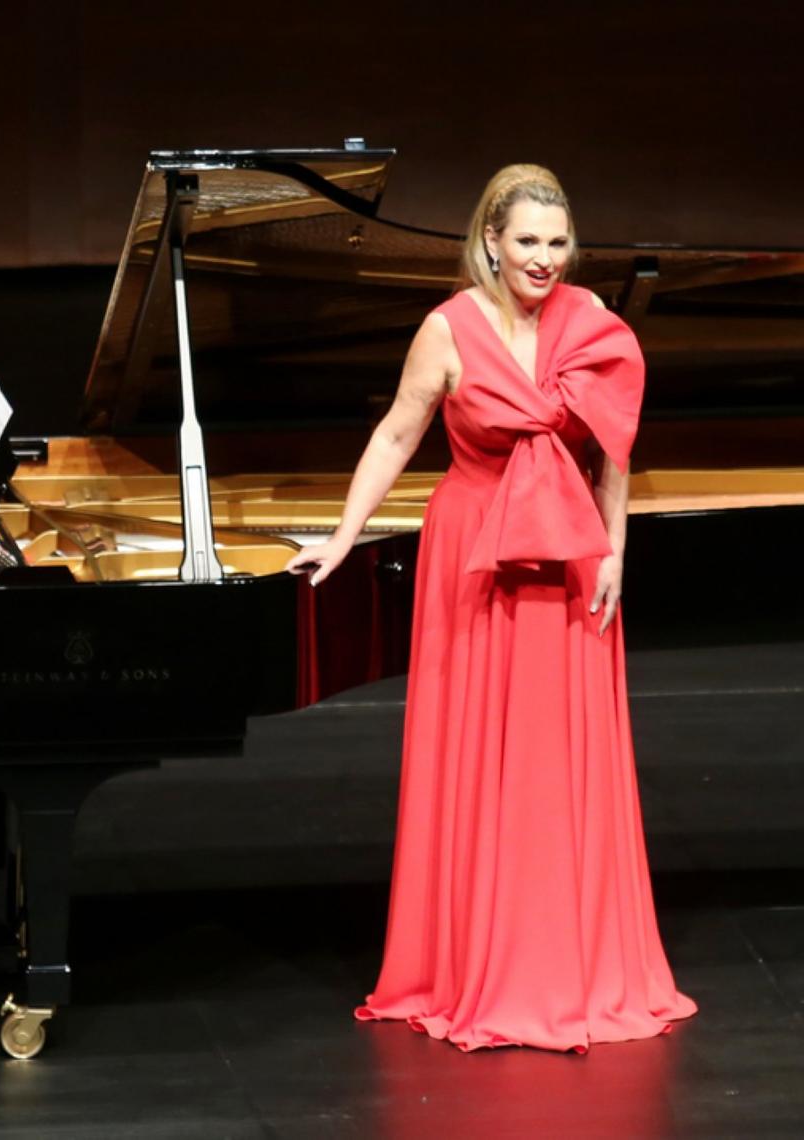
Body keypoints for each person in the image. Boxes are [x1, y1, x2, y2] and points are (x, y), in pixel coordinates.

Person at [286, 165, 696, 1052]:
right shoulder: (447, 331)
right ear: (492, 244)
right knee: (474, 752)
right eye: (528, 243)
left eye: (557, 244)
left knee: (559, 757)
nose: (544, 259)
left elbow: (614, 455)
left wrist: (616, 550)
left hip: (567, 549)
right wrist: (347, 535)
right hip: (473, 550)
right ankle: (471, 959)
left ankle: (569, 964)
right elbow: (397, 432)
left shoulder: (594, 328)